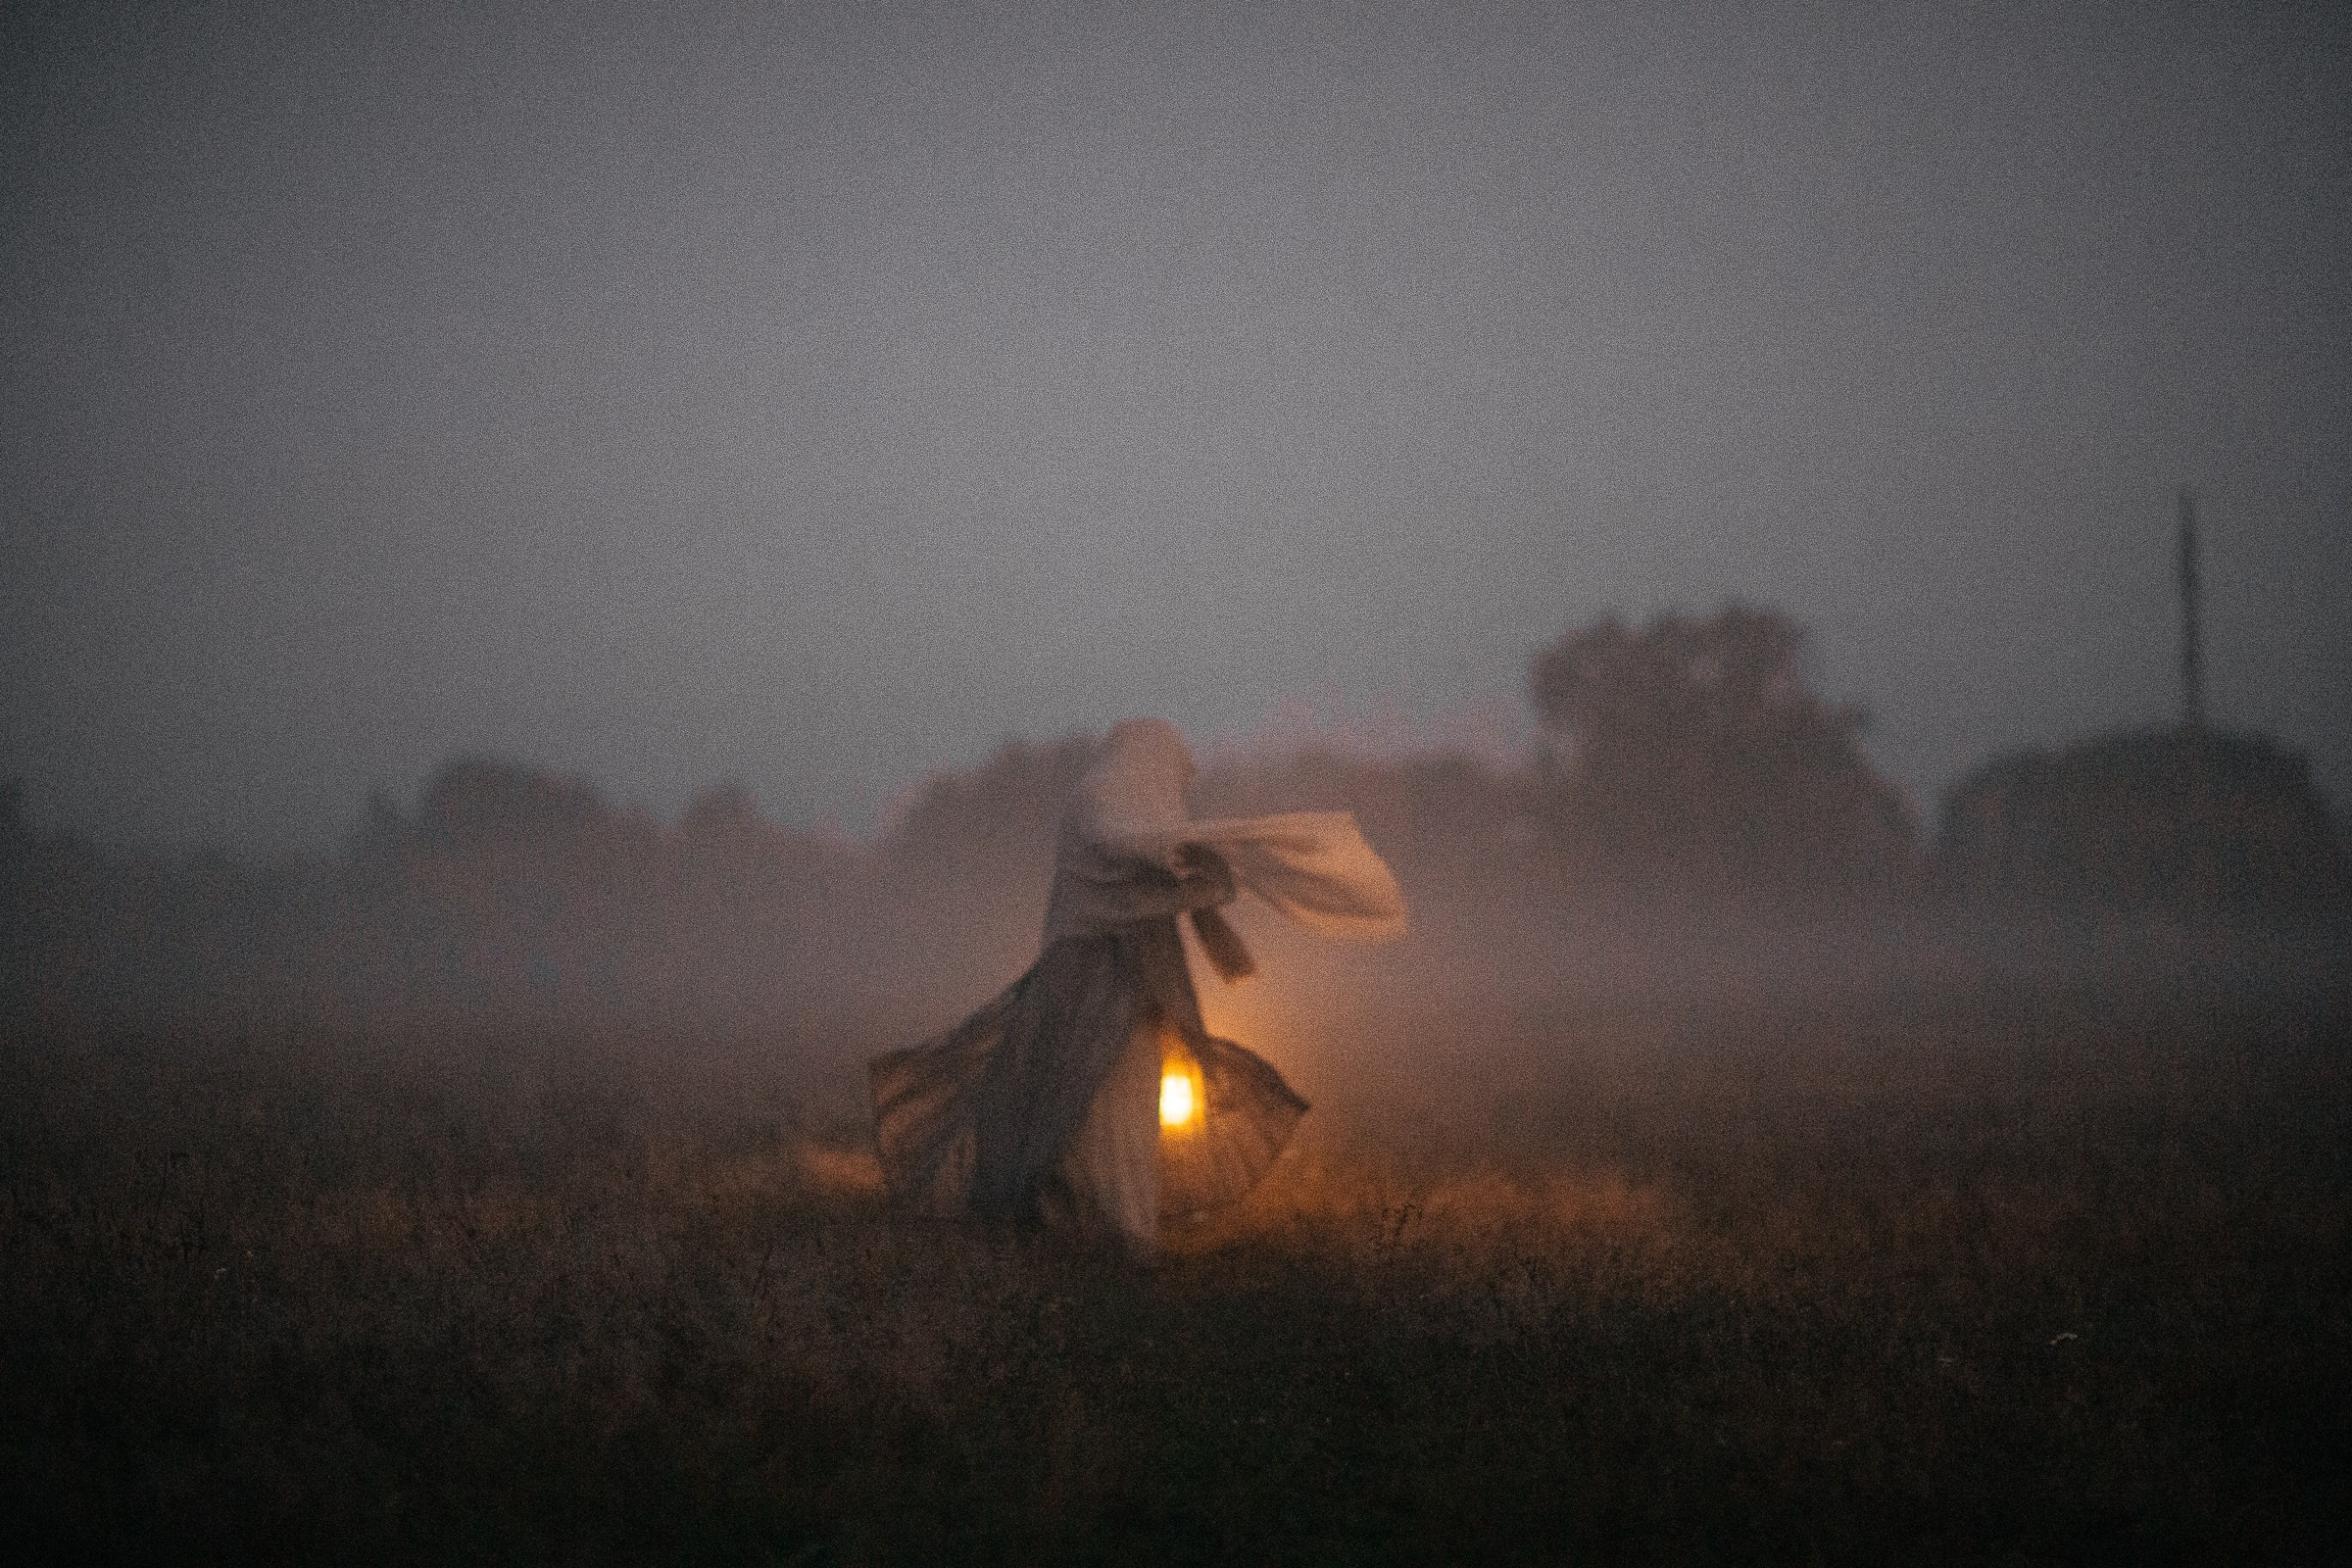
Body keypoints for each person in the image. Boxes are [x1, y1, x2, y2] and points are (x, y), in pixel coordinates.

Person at [869, 718, 1406, 1256]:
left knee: (1112, 1107)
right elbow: (1123, 857)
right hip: (1085, 984)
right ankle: (1097, 1230)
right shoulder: (1105, 803)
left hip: (1119, 988)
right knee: (1075, 1101)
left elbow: (1165, 880)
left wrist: (1185, 865)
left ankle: (1105, 1230)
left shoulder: (1130, 811)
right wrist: (1172, 861)